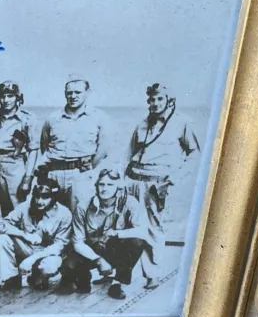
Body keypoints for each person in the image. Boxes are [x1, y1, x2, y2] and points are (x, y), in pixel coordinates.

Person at [62, 168, 157, 299]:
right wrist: (98, 260)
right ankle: (84, 278)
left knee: (137, 242)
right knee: (69, 266)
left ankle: (117, 283)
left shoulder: (130, 203)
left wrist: (116, 233)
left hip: (114, 248)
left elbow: (142, 231)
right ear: (96, 186)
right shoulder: (83, 207)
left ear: (118, 187)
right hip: (91, 250)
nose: (104, 189)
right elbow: (78, 242)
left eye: (110, 184)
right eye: (101, 184)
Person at [126, 83, 201, 240]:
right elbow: (128, 154)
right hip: (134, 183)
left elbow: (195, 153)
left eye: (160, 99)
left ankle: (157, 254)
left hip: (157, 186)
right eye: (152, 99)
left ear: (169, 101)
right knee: (132, 227)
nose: (155, 103)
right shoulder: (142, 124)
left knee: (155, 229)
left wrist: (176, 178)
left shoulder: (181, 123)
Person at [35, 76, 115, 214]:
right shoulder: (53, 118)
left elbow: (103, 150)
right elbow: (45, 146)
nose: (73, 96)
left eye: (78, 92)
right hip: (54, 175)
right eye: (69, 93)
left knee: (79, 214)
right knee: (52, 215)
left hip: (81, 176)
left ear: (88, 92)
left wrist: (86, 168)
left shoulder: (99, 118)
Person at [0, 178, 73, 291]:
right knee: (2, 239)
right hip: (27, 248)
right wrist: (24, 234)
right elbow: (0, 225)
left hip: (47, 253)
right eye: (37, 197)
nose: (39, 201)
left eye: (45, 198)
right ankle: (11, 278)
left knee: (49, 267)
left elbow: (59, 246)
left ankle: (40, 275)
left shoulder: (64, 214)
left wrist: (32, 259)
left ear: (53, 198)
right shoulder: (25, 206)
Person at [0, 81, 39, 216]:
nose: (6, 100)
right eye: (3, 96)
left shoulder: (27, 120)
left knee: (15, 209)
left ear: (18, 98)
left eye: (10, 96)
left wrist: (28, 178)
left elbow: (33, 151)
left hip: (14, 166)